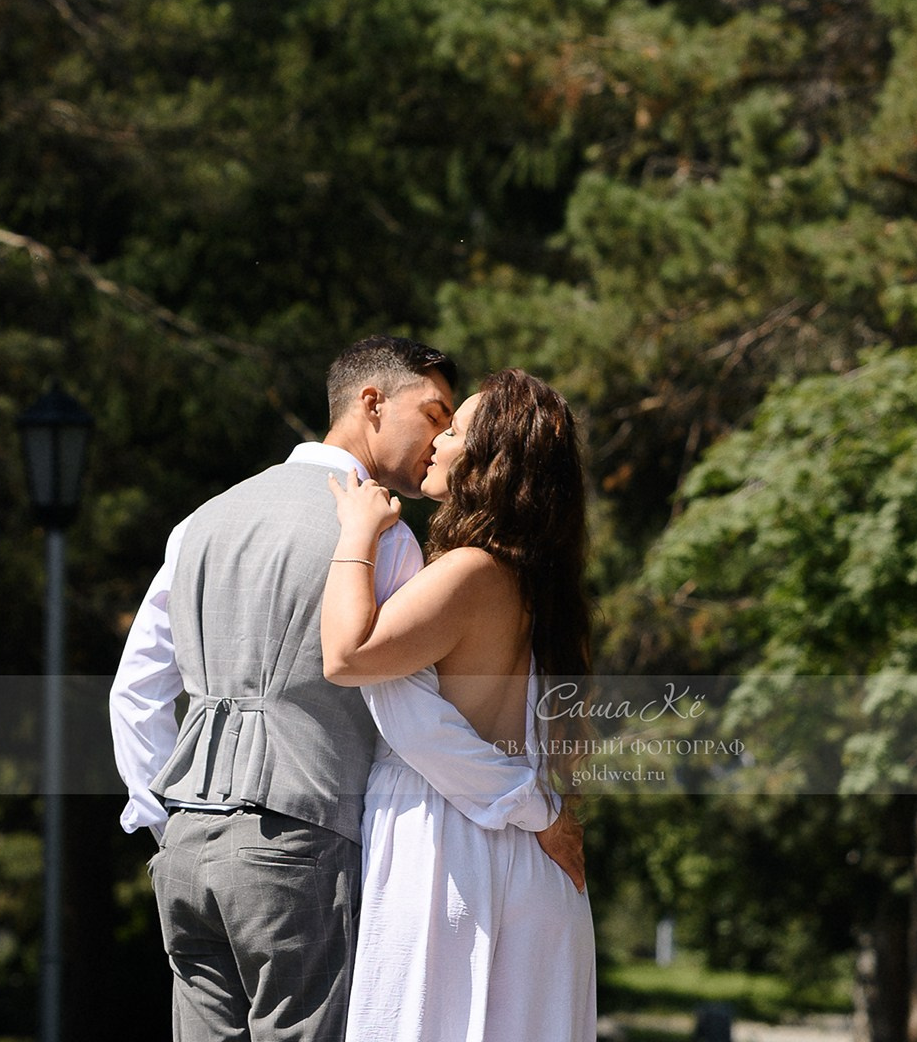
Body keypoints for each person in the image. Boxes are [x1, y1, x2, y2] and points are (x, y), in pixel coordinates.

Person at [109, 336, 583, 1042]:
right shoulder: (384, 540)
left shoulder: (201, 521)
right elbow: (407, 707)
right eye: (435, 415)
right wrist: (534, 808)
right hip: (304, 841)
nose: (437, 438)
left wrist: (165, 816)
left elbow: (137, 687)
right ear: (371, 403)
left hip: (187, 851)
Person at [322, 367, 597, 1042]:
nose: (438, 444)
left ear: (490, 460)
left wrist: (357, 532)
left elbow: (347, 656)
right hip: (527, 861)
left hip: (453, 850)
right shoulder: (541, 587)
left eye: (454, 430)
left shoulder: (472, 571)